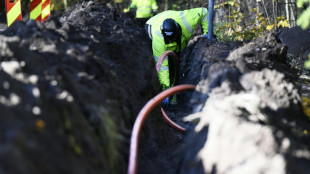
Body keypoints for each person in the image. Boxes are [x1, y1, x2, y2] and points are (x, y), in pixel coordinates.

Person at [145, 8, 209, 106]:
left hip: (170, 22)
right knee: (168, 66)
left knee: (175, 64)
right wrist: (165, 92)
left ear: (178, 31)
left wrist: (207, 34)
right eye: (169, 40)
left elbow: (204, 12)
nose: (171, 41)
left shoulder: (187, 20)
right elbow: (163, 67)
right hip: (152, 25)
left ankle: (174, 94)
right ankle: (167, 93)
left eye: (173, 39)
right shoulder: (158, 40)